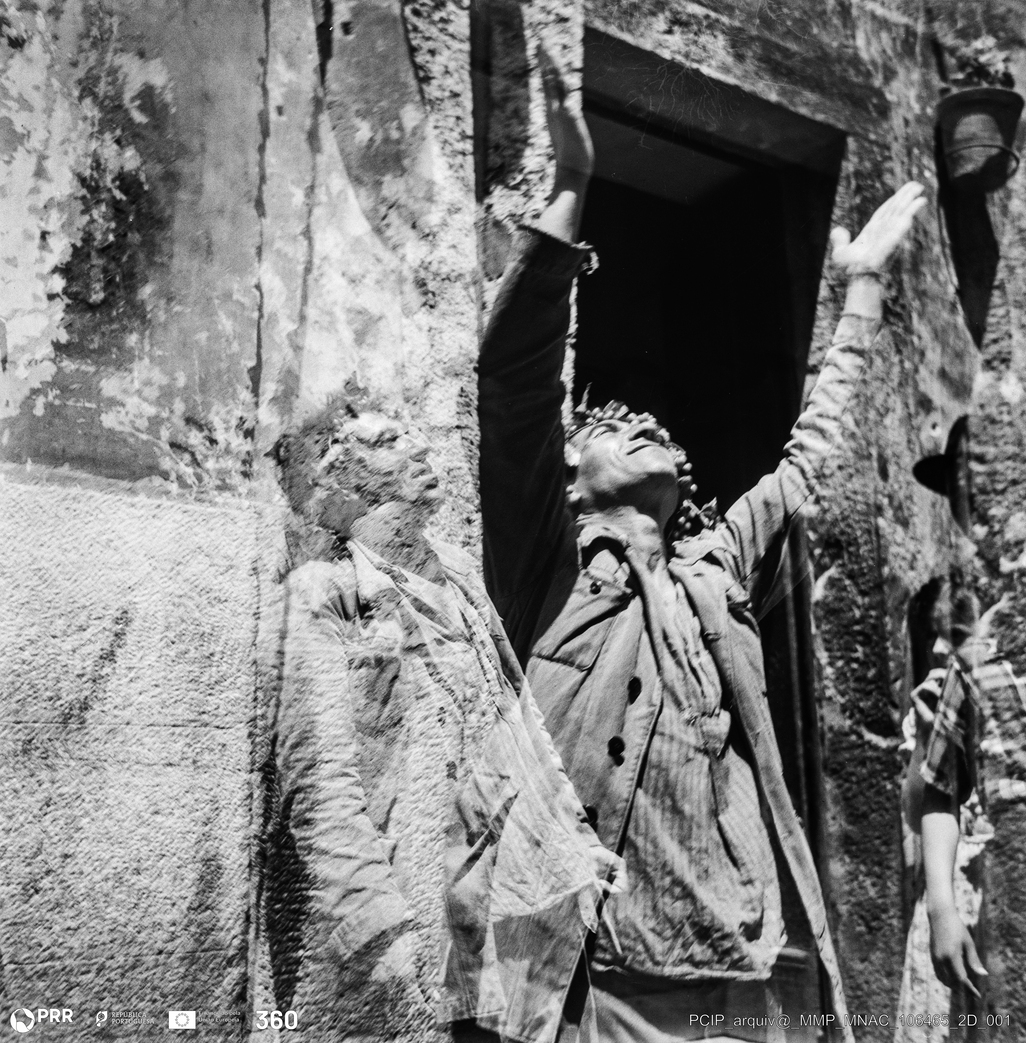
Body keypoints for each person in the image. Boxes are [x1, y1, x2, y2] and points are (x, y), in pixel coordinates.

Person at [477, 53, 927, 1043]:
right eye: (612, 422)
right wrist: (571, 189)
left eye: (655, 426)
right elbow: (513, 384)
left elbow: (812, 458)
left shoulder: (713, 571)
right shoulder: (550, 569)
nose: (646, 423)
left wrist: (860, 291)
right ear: (570, 479)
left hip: (725, 955)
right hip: (591, 967)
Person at [262, 391, 620, 1042]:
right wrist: (375, 924)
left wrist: (577, 836)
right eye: (387, 442)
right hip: (413, 907)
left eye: (412, 435)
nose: (421, 446)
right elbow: (318, 781)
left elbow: (517, 714)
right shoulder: (322, 594)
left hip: (507, 894)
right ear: (341, 480)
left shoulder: (456, 576)